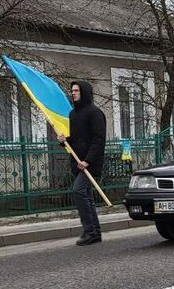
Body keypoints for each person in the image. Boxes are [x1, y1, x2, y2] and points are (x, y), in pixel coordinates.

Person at [57, 81, 106, 246]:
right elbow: (76, 140)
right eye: (72, 91)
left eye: (77, 90)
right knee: (87, 196)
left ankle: (89, 231)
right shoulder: (73, 114)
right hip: (77, 163)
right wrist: (64, 141)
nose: (73, 93)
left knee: (78, 191)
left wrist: (88, 161)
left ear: (85, 92)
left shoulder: (95, 113)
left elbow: (98, 140)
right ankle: (95, 232)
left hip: (90, 163)